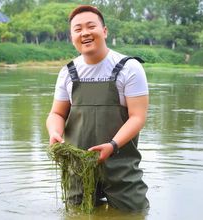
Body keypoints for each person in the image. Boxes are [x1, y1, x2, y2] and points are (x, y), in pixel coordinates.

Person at [46, 5, 149, 212]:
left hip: (121, 165)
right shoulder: (68, 72)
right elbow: (56, 113)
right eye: (77, 29)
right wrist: (55, 132)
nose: (84, 33)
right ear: (71, 36)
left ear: (104, 31)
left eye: (90, 26)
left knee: (133, 214)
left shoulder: (129, 68)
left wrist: (112, 145)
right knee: (77, 214)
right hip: (78, 167)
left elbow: (137, 117)